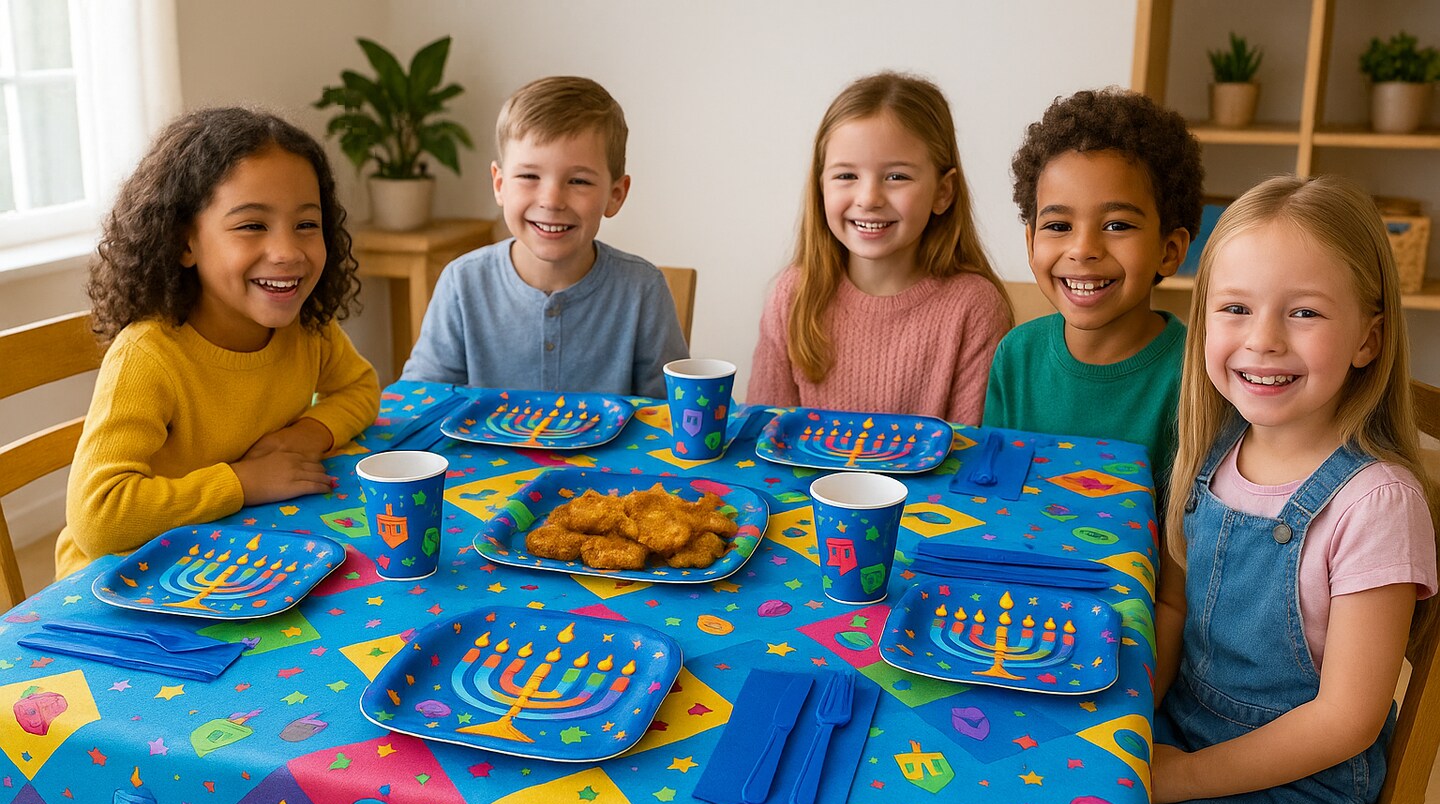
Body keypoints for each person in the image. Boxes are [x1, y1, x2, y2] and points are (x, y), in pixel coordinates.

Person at [1149, 175, 1437, 804]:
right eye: (1236, 308)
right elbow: (1175, 606)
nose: (1264, 339)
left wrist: (1180, 779)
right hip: (1185, 736)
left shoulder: (1376, 503)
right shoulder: (1211, 453)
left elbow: (1345, 720)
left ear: (1368, 338)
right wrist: (1135, 717)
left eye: (1303, 312)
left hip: (1296, 798)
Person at [55, 107, 380, 579]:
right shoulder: (148, 356)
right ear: (185, 242)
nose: (288, 252)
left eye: (307, 225)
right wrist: (243, 482)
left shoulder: (307, 327)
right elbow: (100, 518)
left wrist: (302, 437)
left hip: (238, 552)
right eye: (252, 225)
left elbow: (360, 388)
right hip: (121, 581)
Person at [747, 71, 1011, 424]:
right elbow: (764, 436)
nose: (869, 198)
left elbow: (970, 455)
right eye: (846, 176)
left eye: (896, 176)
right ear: (821, 185)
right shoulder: (792, 295)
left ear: (942, 192)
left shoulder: (974, 307)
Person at [401, 76, 687, 398]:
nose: (551, 200)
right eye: (528, 176)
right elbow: (419, 402)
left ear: (616, 195)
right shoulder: (462, 283)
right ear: (500, 185)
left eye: (578, 181)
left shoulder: (643, 289)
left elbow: (669, 416)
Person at [985, 87, 1202, 501]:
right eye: (1059, 226)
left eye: (1117, 225)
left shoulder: (1196, 375)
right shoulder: (1016, 356)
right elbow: (994, 494)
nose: (1083, 249)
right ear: (1031, 243)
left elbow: (1187, 534)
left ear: (1169, 250)